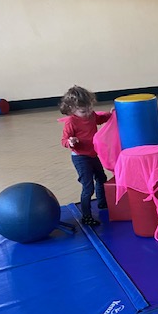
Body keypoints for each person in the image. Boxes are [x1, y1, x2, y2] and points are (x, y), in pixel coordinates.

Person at [58, 85, 111, 226]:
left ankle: (102, 203)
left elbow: (98, 119)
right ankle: (86, 216)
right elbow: (64, 140)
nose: (87, 113)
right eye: (83, 111)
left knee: (101, 178)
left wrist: (110, 115)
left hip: (93, 154)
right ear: (72, 109)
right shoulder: (71, 121)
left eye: (90, 108)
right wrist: (70, 142)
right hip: (80, 157)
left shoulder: (90, 115)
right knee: (88, 187)